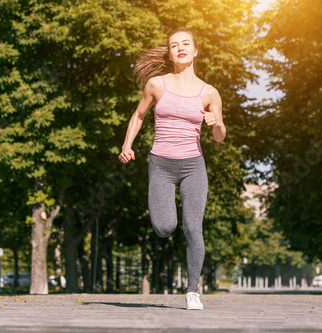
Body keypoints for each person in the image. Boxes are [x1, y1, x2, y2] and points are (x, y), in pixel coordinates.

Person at [118, 29, 226, 310]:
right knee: (165, 227)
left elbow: (219, 136)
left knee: (193, 227)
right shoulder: (156, 85)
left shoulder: (209, 92)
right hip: (161, 164)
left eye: (186, 44)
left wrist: (216, 123)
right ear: (169, 53)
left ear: (195, 50)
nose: (180, 48)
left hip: (193, 166)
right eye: (174, 45)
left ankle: (192, 291)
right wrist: (127, 144)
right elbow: (139, 115)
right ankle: (167, 227)